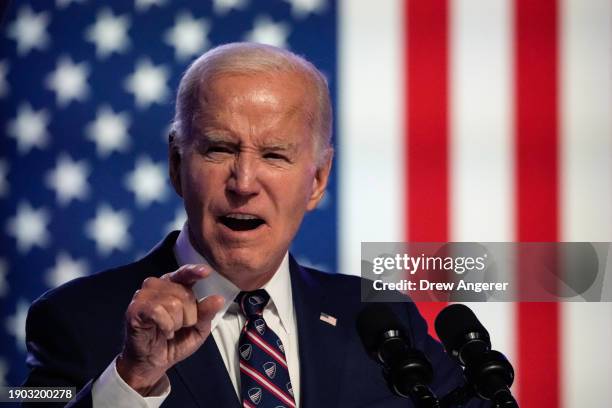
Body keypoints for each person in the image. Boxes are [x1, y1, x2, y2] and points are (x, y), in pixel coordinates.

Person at [23, 43, 487, 407]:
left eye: (274, 155)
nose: (244, 183)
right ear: (176, 164)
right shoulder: (74, 318)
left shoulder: (380, 319)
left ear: (318, 180)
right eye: (219, 149)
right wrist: (132, 380)